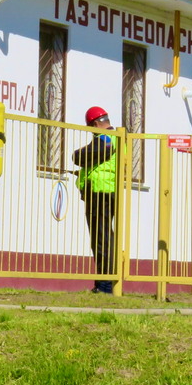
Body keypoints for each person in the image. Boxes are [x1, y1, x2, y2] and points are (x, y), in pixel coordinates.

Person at [72, 106, 118, 294]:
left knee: (101, 239)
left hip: (100, 193)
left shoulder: (106, 138)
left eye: (90, 128)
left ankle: (105, 284)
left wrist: (76, 156)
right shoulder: (116, 137)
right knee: (104, 237)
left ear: (95, 124)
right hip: (106, 191)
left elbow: (92, 153)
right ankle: (105, 282)